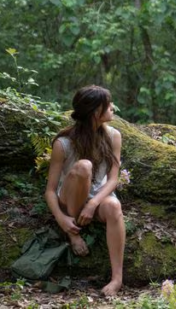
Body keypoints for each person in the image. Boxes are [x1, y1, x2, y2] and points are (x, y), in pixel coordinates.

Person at [44, 85, 125, 296]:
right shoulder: (63, 143)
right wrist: (61, 218)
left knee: (115, 206)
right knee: (84, 166)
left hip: (98, 195)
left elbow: (113, 179)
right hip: (69, 197)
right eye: (109, 105)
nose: (113, 107)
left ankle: (117, 279)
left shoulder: (114, 136)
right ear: (96, 112)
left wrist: (93, 203)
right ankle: (73, 233)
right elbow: (50, 191)